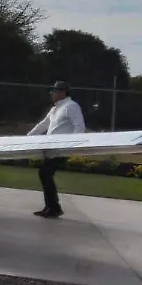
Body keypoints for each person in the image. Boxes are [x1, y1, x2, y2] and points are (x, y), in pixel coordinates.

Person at [27, 80, 85, 218]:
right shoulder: (55, 109)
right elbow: (43, 125)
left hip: (61, 150)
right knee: (45, 174)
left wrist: (72, 145)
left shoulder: (71, 106)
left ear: (62, 93)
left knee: (45, 173)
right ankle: (51, 207)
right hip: (51, 149)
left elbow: (79, 127)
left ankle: (53, 208)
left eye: (54, 91)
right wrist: (27, 138)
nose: (52, 93)